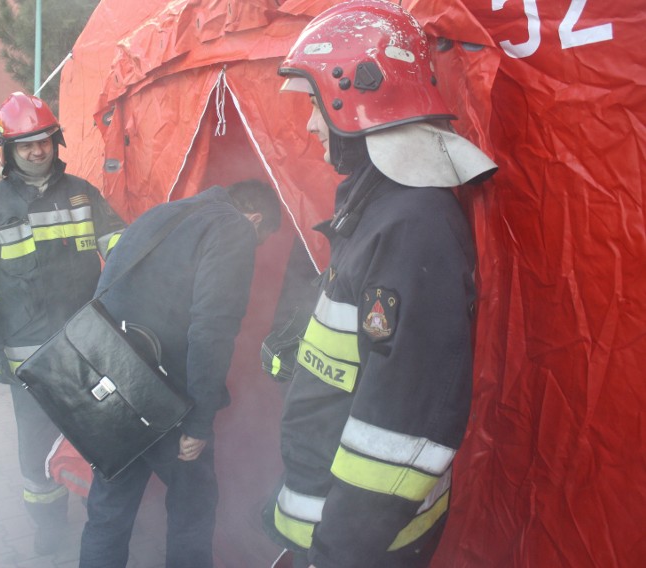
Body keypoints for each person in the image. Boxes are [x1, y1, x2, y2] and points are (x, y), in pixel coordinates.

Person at [263, 2, 498, 567]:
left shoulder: (412, 228)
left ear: (358, 97)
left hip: (361, 547)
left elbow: (402, 426)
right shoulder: (380, 209)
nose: (311, 124)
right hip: (336, 530)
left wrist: (337, 555)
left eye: (316, 105)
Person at [78, 179, 282, 568]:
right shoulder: (233, 226)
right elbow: (212, 330)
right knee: (194, 507)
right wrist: (200, 423)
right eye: (260, 240)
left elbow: (106, 290)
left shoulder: (164, 212)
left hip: (113, 382)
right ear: (254, 219)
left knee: (108, 511)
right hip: (164, 397)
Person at [0, 92, 125, 555]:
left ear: (56, 142)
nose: (37, 151)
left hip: (87, 344)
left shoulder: (82, 193)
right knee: (36, 447)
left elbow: (119, 244)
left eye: (44, 141)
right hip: (27, 356)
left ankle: (103, 512)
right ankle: (49, 522)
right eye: (25, 144)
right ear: (8, 151)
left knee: (98, 434)